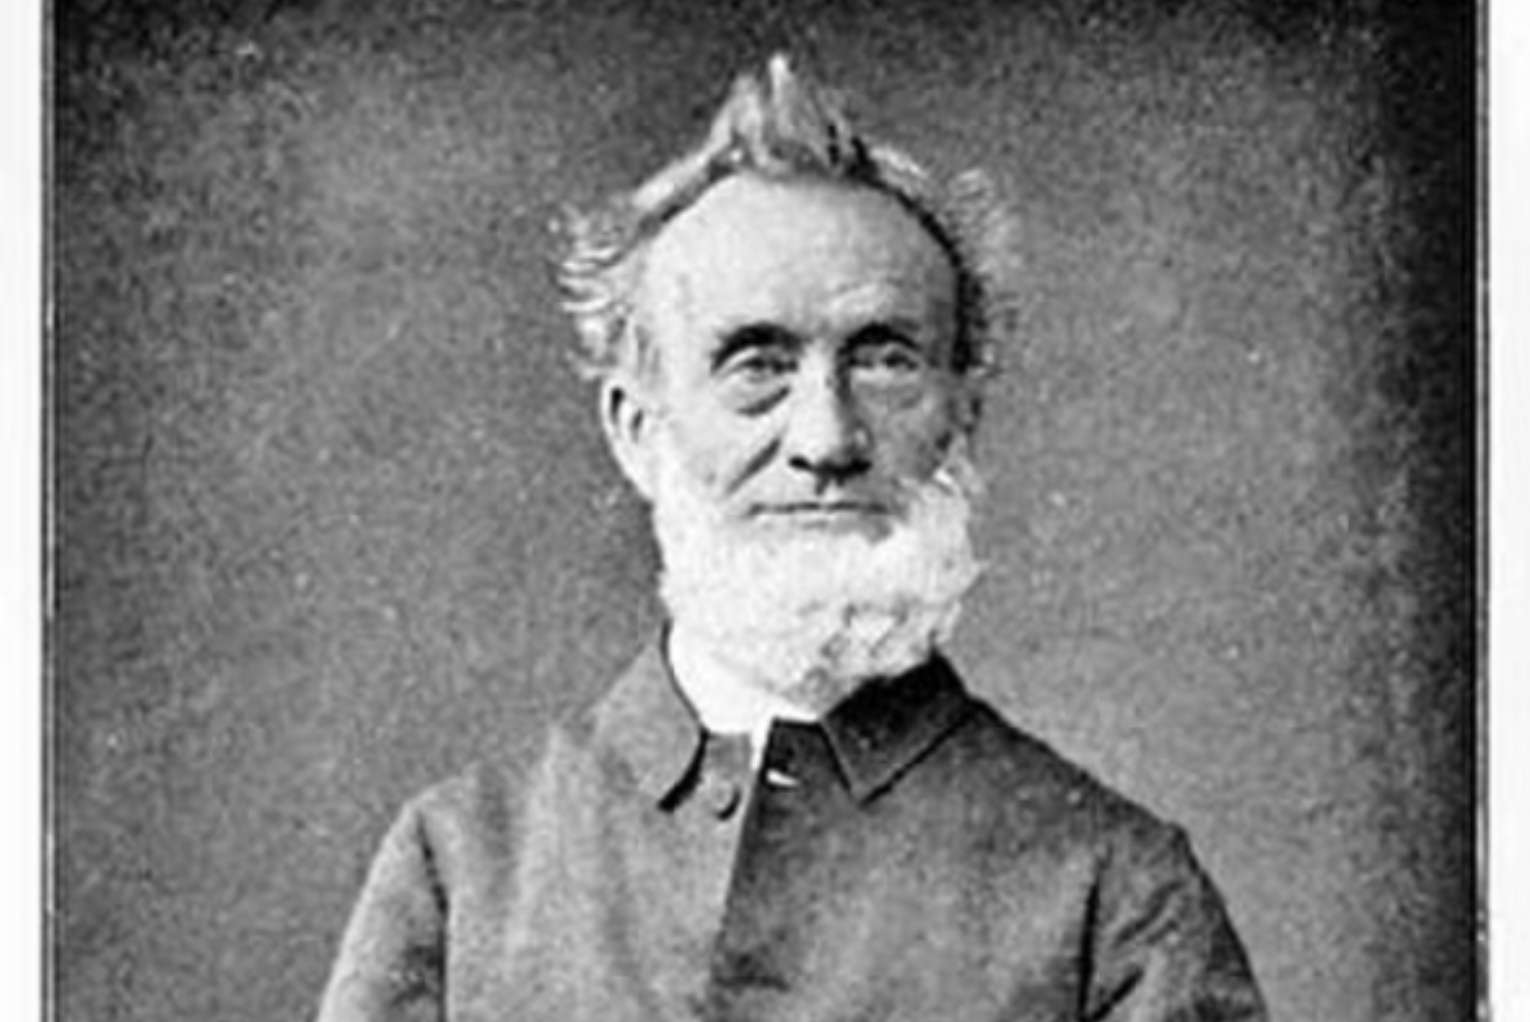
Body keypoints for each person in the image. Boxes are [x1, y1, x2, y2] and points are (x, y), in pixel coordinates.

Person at [315, 55, 1266, 1022]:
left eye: (885, 360)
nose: (826, 439)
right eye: (756, 365)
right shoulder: (463, 868)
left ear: (962, 418)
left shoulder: (1115, 892)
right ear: (636, 430)